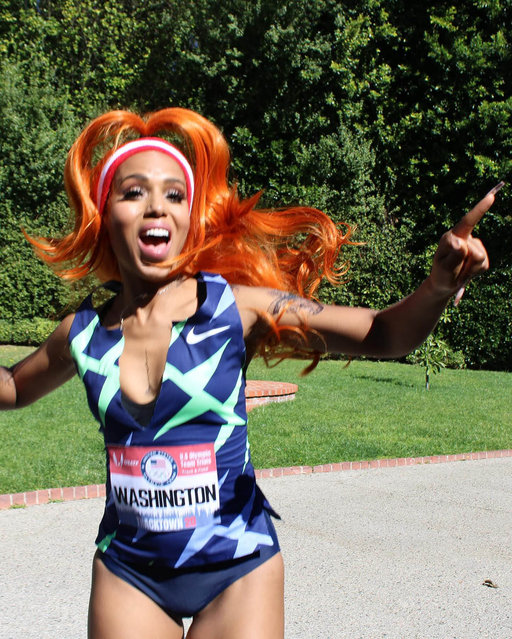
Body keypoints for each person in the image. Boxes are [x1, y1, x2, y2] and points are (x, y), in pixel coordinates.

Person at [0, 107, 500, 639]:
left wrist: (436, 290)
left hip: (237, 567)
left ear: (191, 218)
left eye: (175, 194)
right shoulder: (81, 334)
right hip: (130, 573)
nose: (156, 207)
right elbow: (12, 386)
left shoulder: (238, 309)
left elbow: (381, 333)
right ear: (105, 214)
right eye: (133, 192)